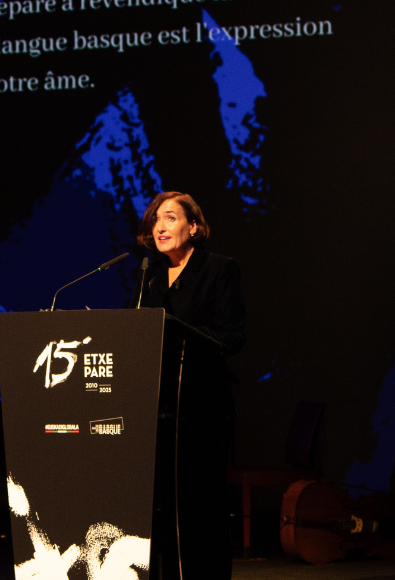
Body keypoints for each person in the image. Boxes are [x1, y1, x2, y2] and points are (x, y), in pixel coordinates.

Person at [128, 191, 243, 579]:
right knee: (160, 505)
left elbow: (232, 336)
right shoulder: (151, 275)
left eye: (171, 218)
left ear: (193, 227)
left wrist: (181, 335)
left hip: (202, 408)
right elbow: (133, 332)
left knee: (201, 508)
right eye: (157, 220)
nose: (160, 227)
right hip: (158, 410)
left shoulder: (219, 269)